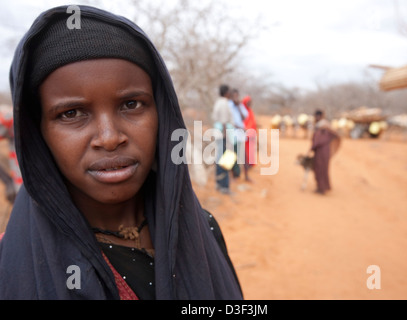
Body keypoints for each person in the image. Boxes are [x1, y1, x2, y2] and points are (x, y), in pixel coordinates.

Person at [0, 5, 242, 300]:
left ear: (162, 115)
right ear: (37, 133)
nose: (110, 138)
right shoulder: (10, 265)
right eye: (72, 112)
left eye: (131, 105)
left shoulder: (203, 232)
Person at [308, 110, 340, 195]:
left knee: (321, 169)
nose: (316, 118)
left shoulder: (323, 126)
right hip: (322, 150)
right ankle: (321, 187)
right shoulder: (322, 125)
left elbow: (320, 139)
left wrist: (313, 147)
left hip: (322, 151)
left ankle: (322, 188)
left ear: (320, 116)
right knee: (320, 168)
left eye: (316, 116)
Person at [211, 84, 234, 194]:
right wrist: (227, 139)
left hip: (218, 133)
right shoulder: (224, 103)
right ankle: (224, 186)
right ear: (226, 93)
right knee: (225, 160)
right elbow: (224, 121)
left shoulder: (218, 102)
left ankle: (218, 183)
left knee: (219, 158)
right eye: (229, 92)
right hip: (223, 134)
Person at [228, 89, 248, 180]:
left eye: (237, 96)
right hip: (232, 132)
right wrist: (238, 127)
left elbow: (244, 117)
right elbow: (228, 120)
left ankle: (246, 175)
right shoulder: (228, 105)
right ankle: (235, 174)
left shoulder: (240, 106)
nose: (235, 98)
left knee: (242, 154)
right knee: (233, 153)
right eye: (234, 96)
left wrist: (239, 107)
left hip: (240, 133)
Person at [242, 96, 257, 182]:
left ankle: (246, 173)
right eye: (248, 102)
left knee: (249, 155)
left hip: (251, 137)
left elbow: (253, 124)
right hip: (244, 137)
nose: (250, 103)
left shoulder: (250, 111)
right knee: (244, 156)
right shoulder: (243, 111)